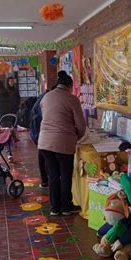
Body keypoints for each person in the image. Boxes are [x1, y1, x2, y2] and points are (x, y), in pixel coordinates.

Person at [38, 71, 86, 216]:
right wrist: (77, 136)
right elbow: (81, 125)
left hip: (44, 143)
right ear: (70, 85)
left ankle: (54, 208)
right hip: (63, 142)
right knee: (65, 175)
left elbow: (45, 116)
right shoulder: (72, 99)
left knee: (53, 175)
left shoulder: (46, 97)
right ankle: (66, 207)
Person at [29, 89, 52, 188]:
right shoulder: (45, 101)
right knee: (45, 157)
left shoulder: (42, 98)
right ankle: (46, 181)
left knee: (42, 155)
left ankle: (45, 181)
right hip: (40, 132)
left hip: (37, 132)